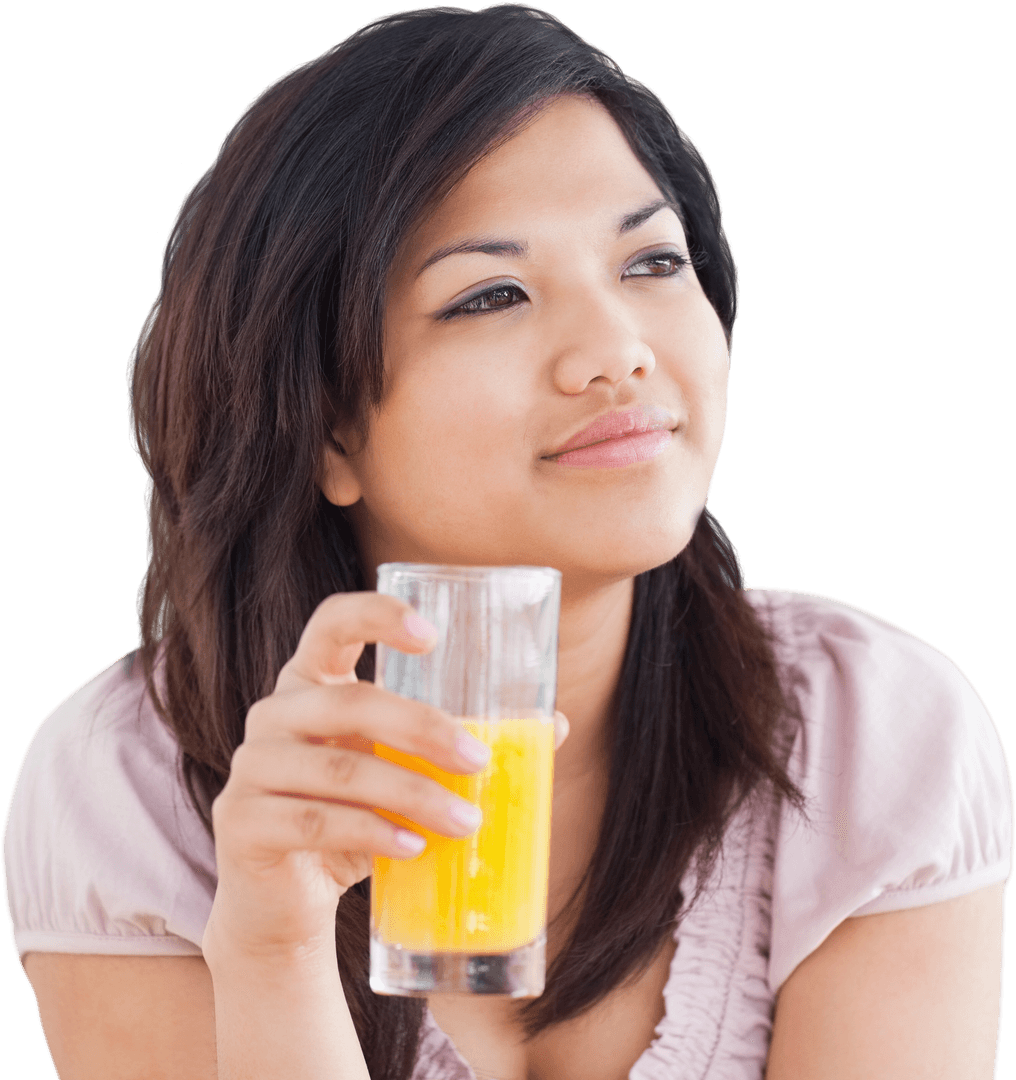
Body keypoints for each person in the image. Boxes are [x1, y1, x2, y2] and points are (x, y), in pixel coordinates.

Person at [3, 5, 1011, 1078]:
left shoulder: (868, 734)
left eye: (652, 262)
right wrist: (272, 949)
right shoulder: (130, 786)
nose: (616, 354)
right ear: (325, 429)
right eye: (491, 294)